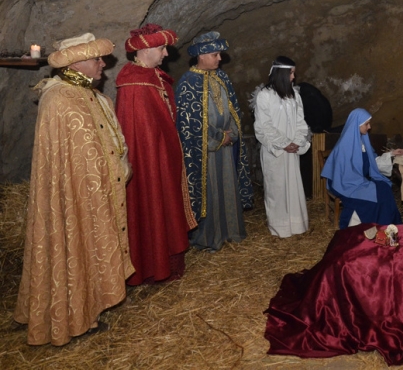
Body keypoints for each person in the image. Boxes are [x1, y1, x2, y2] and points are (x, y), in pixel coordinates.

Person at [14, 33, 134, 346]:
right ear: (78, 62)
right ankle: (72, 316)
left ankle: (90, 307)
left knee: (89, 249)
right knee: (71, 248)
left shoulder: (88, 94)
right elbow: (61, 163)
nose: (103, 65)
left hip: (93, 194)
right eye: (97, 59)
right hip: (71, 199)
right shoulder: (59, 100)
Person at [116, 24, 197, 284]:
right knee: (150, 203)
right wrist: (155, 158)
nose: (165, 54)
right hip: (149, 160)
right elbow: (140, 134)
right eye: (162, 48)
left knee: (165, 204)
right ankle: (153, 265)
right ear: (146, 49)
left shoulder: (153, 77)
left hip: (162, 156)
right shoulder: (134, 83)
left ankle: (167, 260)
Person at [175, 31, 254, 251]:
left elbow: (233, 110)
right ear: (201, 55)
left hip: (226, 149)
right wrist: (219, 138)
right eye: (215, 54)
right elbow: (190, 124)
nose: (219, 59)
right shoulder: (188, 83)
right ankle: (210, 237)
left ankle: (230, 231)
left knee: (228, 188)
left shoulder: (222, 77)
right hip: (205, 152)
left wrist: (232, 134)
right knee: (210, 191)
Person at [253, 56, 310, 238]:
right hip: (275, 151)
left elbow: (301, 122)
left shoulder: (295, 96)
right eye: (291, 73)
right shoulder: (265, 96)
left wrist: (297, 141)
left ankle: (296, 226)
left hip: (292, 150)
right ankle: (280, 229)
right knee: (277, 190)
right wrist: (284, 143)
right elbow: (263, 126)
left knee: (293, 188)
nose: (294, 77)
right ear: (282, 74)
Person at [321, 108, 403, 229]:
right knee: (373, 194)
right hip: (344, 183)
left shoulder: (362, 140)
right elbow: (344, 174)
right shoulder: (344, 145)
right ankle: (368, 227)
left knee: (384, 188)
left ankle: (388, 227)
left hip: (359, 179)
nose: (369, 127)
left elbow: (372, 161)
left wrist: (391, 154)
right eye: (366, 124)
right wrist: (364, 183)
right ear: (357, 124)